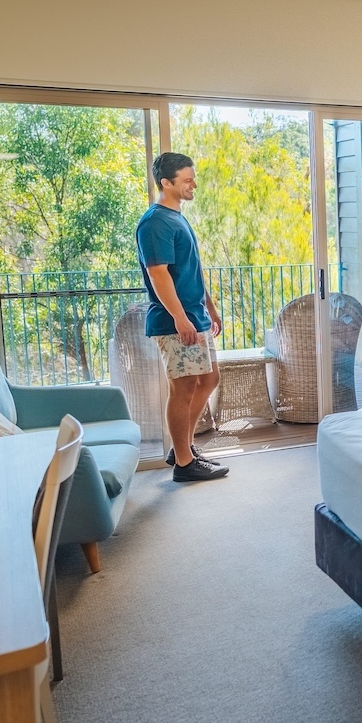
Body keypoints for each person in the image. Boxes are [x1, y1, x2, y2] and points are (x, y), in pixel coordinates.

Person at [136, 151, 228, 482]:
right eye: (187, 180)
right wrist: (179, 317)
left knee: (209, 379)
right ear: (166, 183)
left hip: (195, 314)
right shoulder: (155, 222)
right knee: (184, 387)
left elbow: (192, 269)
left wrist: (210, 307)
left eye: (193, 179)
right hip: (176, 320)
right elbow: (158, 274)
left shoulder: (176, 217)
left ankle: (182, 448)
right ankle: (184, 464)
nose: (193, 185)